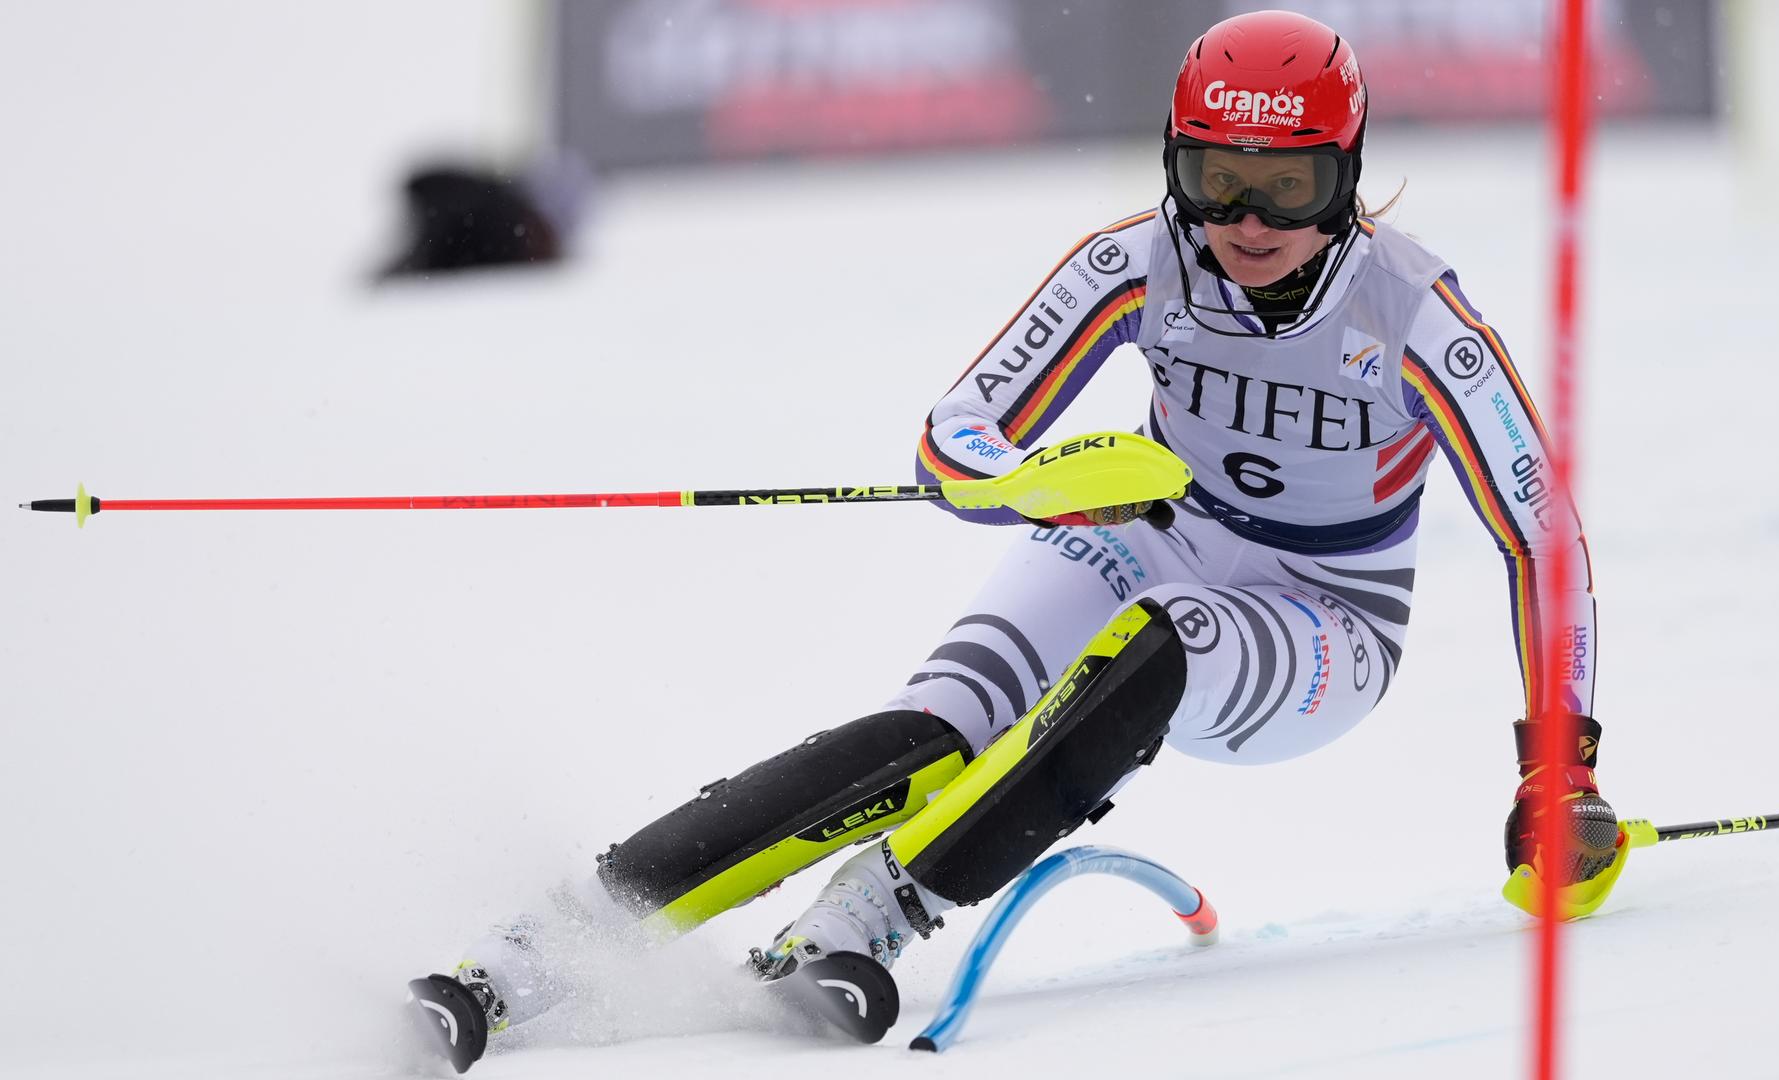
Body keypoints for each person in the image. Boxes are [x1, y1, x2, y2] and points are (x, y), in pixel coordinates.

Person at [407, 9, 1623, 1069]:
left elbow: (1542, 538)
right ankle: (542, 947)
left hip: (1326, 616)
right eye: (1213, 177)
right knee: (930, 730)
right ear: (1173, 164)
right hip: (1155, 534)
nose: (1246, 223)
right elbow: (954, 441)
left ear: (1345, 177)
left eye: (1287, 187)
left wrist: (1556, 768)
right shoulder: (1138, 261)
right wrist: (1038, 482)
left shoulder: (1413, 312)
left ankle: (868, 917)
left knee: (1161, 643)